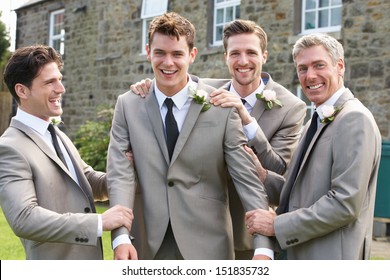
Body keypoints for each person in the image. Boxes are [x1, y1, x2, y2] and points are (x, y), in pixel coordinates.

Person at [130, 19, 307, 259]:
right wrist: (149, 85)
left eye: (251, 53)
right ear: (225, 56)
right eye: (235, 53)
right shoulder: (205, 91)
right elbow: (171, 77)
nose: (242, 61)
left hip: (248, 229)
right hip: (200, 229)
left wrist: (246, 120)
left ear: (264, 55)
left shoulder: (290, 106)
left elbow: (280, 169)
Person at [106, 12, 273, 260]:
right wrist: (120, 237)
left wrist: (263, 247)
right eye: (160, 53)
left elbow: (246, 179)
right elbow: (119, 174)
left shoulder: (222, 106)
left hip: (209, 246)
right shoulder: (128, 105)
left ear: (192, 55)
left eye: (177, 54)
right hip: (146, 245)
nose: (168, 62)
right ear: (148, 51)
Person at [245, 33, 382, 259]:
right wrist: (263, 177)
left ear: (340, 66)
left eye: (319, 65)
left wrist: (277, 225)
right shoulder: (315, 120)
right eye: (302, 68)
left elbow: (344, 203)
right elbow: (303, 194)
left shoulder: (354, 119)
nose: (310, 76)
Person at [0, 45, 134, 260]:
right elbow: (24, 218)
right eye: (49, 82)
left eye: (59, 79)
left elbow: (87, 181)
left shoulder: (57, 134)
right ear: (22, 91)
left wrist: (127, 174)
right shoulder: (9, 147)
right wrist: (99, 223)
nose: (61, 88)